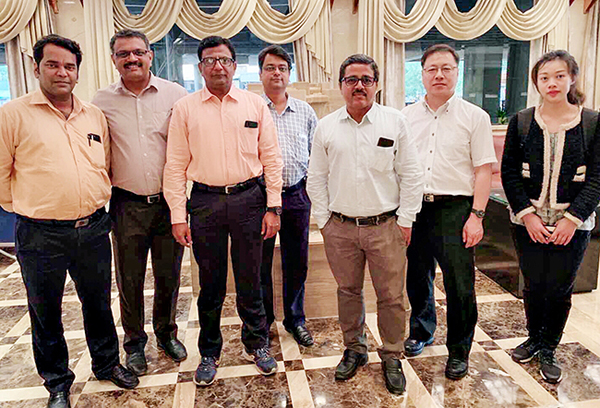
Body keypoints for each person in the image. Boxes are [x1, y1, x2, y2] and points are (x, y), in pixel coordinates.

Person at [0, 35, 138, 408]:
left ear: (77, 72)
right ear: (36, 68)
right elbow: (1, 173)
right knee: (45, 311)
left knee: (98, 303)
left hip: (92, 228)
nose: (62, 72)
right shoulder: (13, 115)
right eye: (53, 64)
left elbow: (104, 163)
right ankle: (57, 382)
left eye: (69, 66)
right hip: (40, 233)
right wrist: (31, 208)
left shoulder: (93, 115)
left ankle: (107, 363)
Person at [163, 36, 284, 387]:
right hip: (205, 203)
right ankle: (209, 352)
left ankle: (257, 344)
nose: (218, 66)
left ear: (234, 65)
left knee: (251, 278)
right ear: (200, 67)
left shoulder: (254, 105)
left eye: (224, 60)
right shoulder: (185, 109)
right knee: (210, 283)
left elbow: (271, 158)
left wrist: (273, 207)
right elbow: (174, 165)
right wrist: (178, 216)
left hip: (249, 200)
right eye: (210, 60)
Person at [307, 54, 423, 395]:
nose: (359, 86)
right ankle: (354, 349)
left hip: (386, 226)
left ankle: (392, 355)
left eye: (366, 80)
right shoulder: (326, 126)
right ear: (341, 85)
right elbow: (316, 178)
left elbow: (411, 174)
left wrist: (405, 220)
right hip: (340, 228)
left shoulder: (395, 122)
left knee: (391, 296)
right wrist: (325, 221)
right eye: (351, 80)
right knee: (347, 291)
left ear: (376, 84)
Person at [92, 29, 188, 377]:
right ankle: (134, 344)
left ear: (150, 55)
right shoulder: (100, 102)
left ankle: (166, 333)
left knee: (169, 274)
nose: (131, 59)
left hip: (168, 203)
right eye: (123, 54)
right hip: (126, 204)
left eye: (137, 52)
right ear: (114, 59)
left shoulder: (175, 95)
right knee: (129, 278)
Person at [501, 50, 600, 384]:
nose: (552, 83)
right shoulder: (522, 121)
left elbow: (597, 178)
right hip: (527, 221)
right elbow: (509, 173)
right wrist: (528, 216)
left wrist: (572, 219)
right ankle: (533, 338)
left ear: (572, 78)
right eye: (544, 77)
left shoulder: (592, 123)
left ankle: (549, 347)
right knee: (533, 284)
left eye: (559, 76)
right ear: (536, 83)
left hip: (573, 225)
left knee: (559, 288)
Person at [402, 44, 496, 380]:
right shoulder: (405, 117)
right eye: (432, 69)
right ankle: (421, 331)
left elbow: (483, 170)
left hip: (456, 208)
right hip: (415, 207)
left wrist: (477, 216)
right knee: (417, 276)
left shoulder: (475, 117)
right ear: (422, 74)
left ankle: (459, 349)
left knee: (459, 283)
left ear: (457, 72)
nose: (439, 75)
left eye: (446, 68)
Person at [257, 45, 318, 347]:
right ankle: (263, 323)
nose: (277, 73)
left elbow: (316, 155)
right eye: (270, 67)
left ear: (289, 73)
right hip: (259, 199)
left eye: (282, 68)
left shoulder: (305, 111)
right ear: (261, 73)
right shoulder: (253, 110)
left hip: (296, 195)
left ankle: (296, 320)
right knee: (260, 264)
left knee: (297, 261)